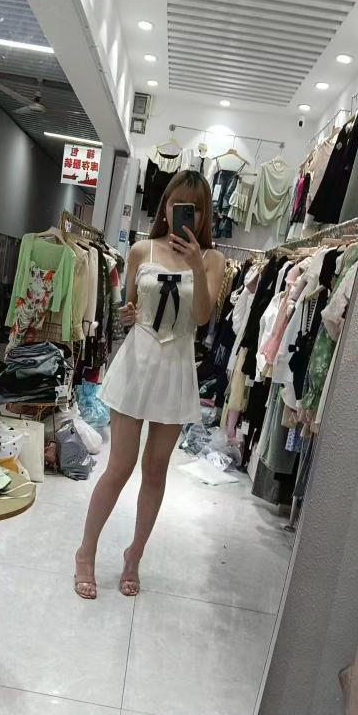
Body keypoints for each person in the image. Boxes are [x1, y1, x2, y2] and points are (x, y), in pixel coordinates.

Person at [74, 170, 225, 599]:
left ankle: (133, 557)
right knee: (119, 466)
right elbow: (131, 308)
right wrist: (126, 314)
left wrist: (194, 264)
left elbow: (201, 317)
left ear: (204, 215)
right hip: (138, 362)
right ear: (165, 207)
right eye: (178, 205)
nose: (186, 214)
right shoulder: (142, 250)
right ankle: (85, 552)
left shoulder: (212, 260)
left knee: (156, 470)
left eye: (195, 209)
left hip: (177, 368)